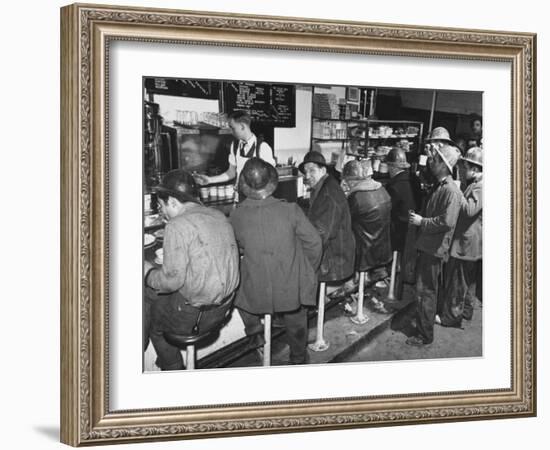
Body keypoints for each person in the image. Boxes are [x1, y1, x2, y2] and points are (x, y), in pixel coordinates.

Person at [143, 169, 240, 370]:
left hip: (198, 317)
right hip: (224, 307)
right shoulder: (219, 215)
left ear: (173, 202)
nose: (163, 213)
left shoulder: (177, 225)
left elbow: (172, 282)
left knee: (151, 316)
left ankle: (172, 369)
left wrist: (148, 273)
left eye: (162, 206)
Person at [230, 158, 322, 364]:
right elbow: (315, 244)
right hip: (289, 288)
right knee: (297, 316)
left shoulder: (236, 216)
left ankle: (255, 332)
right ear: (272, 181)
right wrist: (306, 270)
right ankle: (298, 357)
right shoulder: (291, 210)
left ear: (244, 184)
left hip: (256, 291)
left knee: (237, 291)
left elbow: (234, 250)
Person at [406, 144, 462, 346]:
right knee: (427, 291)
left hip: (434, 249)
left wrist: (422, 222)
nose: (432, 162)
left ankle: (424, 335)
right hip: (429, 245)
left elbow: (447, 221)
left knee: (426, 292)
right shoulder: (440, 185)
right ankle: (425, 326)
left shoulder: (450, 191)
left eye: (436, 160)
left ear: (445, 167)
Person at [439, 147, 483, 327]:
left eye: (466, 166)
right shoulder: (476, 183)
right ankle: (466, 311)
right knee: (469, 282)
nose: (464, 169)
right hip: (472, 242)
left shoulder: (481, 186)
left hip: (467, 243)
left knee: (459, 282)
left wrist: (457, 192)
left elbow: (470, 210)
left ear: (476, 168)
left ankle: (451, 318)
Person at [299, 151, 355, 284]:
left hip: (335, 259)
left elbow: (320, 235)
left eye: (312, 171)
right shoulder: (325, 185)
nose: (307, 176)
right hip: (336, 251)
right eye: (305, 172)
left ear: (323, 170)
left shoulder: (328, 195)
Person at [341, 159, 392, 284]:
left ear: (352, 180)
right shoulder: (382, 189)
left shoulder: (356, 197)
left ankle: (349, 282)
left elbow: (343, 221)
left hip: (365, 252)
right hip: (383, 248)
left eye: (347, 181)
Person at [194, 110, 275, 187]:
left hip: (257, 197)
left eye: (233, 128)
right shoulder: (235, 145)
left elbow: (271, 177)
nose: (231, 132)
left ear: (242, 126)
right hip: (239, 195)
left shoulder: (263, 147)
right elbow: (231, 172)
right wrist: (209, 180)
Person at [384, 147, 418, 254]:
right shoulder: (414, 180)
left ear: (392, 167)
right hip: (413, 226)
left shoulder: (394, 187)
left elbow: (388, 211)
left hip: (398, 231)